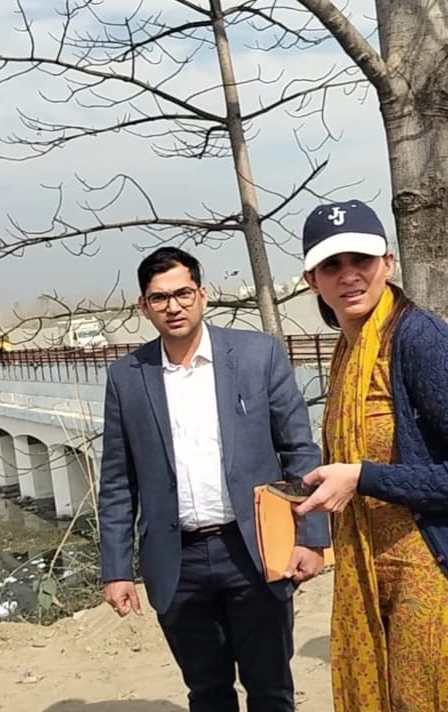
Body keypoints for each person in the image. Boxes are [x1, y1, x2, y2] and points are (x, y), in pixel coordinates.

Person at [291, 200, 448, 712]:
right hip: (381, 573)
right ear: (312, 279)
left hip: (439, 574)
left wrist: (365, 478)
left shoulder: (425, 344)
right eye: (332, 265)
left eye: (361, 259)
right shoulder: (352, 348)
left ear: (388, 261)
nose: (349, 275)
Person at [97, 246, 330, 712]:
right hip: (177, 560)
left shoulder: (256, 355)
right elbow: (118, 481)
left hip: (253, 550)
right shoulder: (128, 377)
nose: (173, 306)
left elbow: (298, 451)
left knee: (271, 689)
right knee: (206, 693)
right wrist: (117, 569)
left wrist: (311, 537)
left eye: (183, 293)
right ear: (144, 306)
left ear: (202, 294)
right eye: (159, 297)